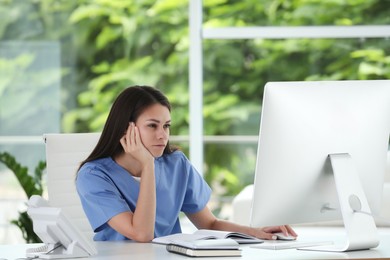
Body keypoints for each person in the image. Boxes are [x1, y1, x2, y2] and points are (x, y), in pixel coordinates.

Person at [76, 85, 297, 242]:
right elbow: (142, 234)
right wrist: (147, 165)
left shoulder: (176, 164)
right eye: (152, 126)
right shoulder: (93, 175)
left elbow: (209, 224)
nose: (163, 135)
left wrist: (256, 232)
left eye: (166, 126)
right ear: (127, 129)